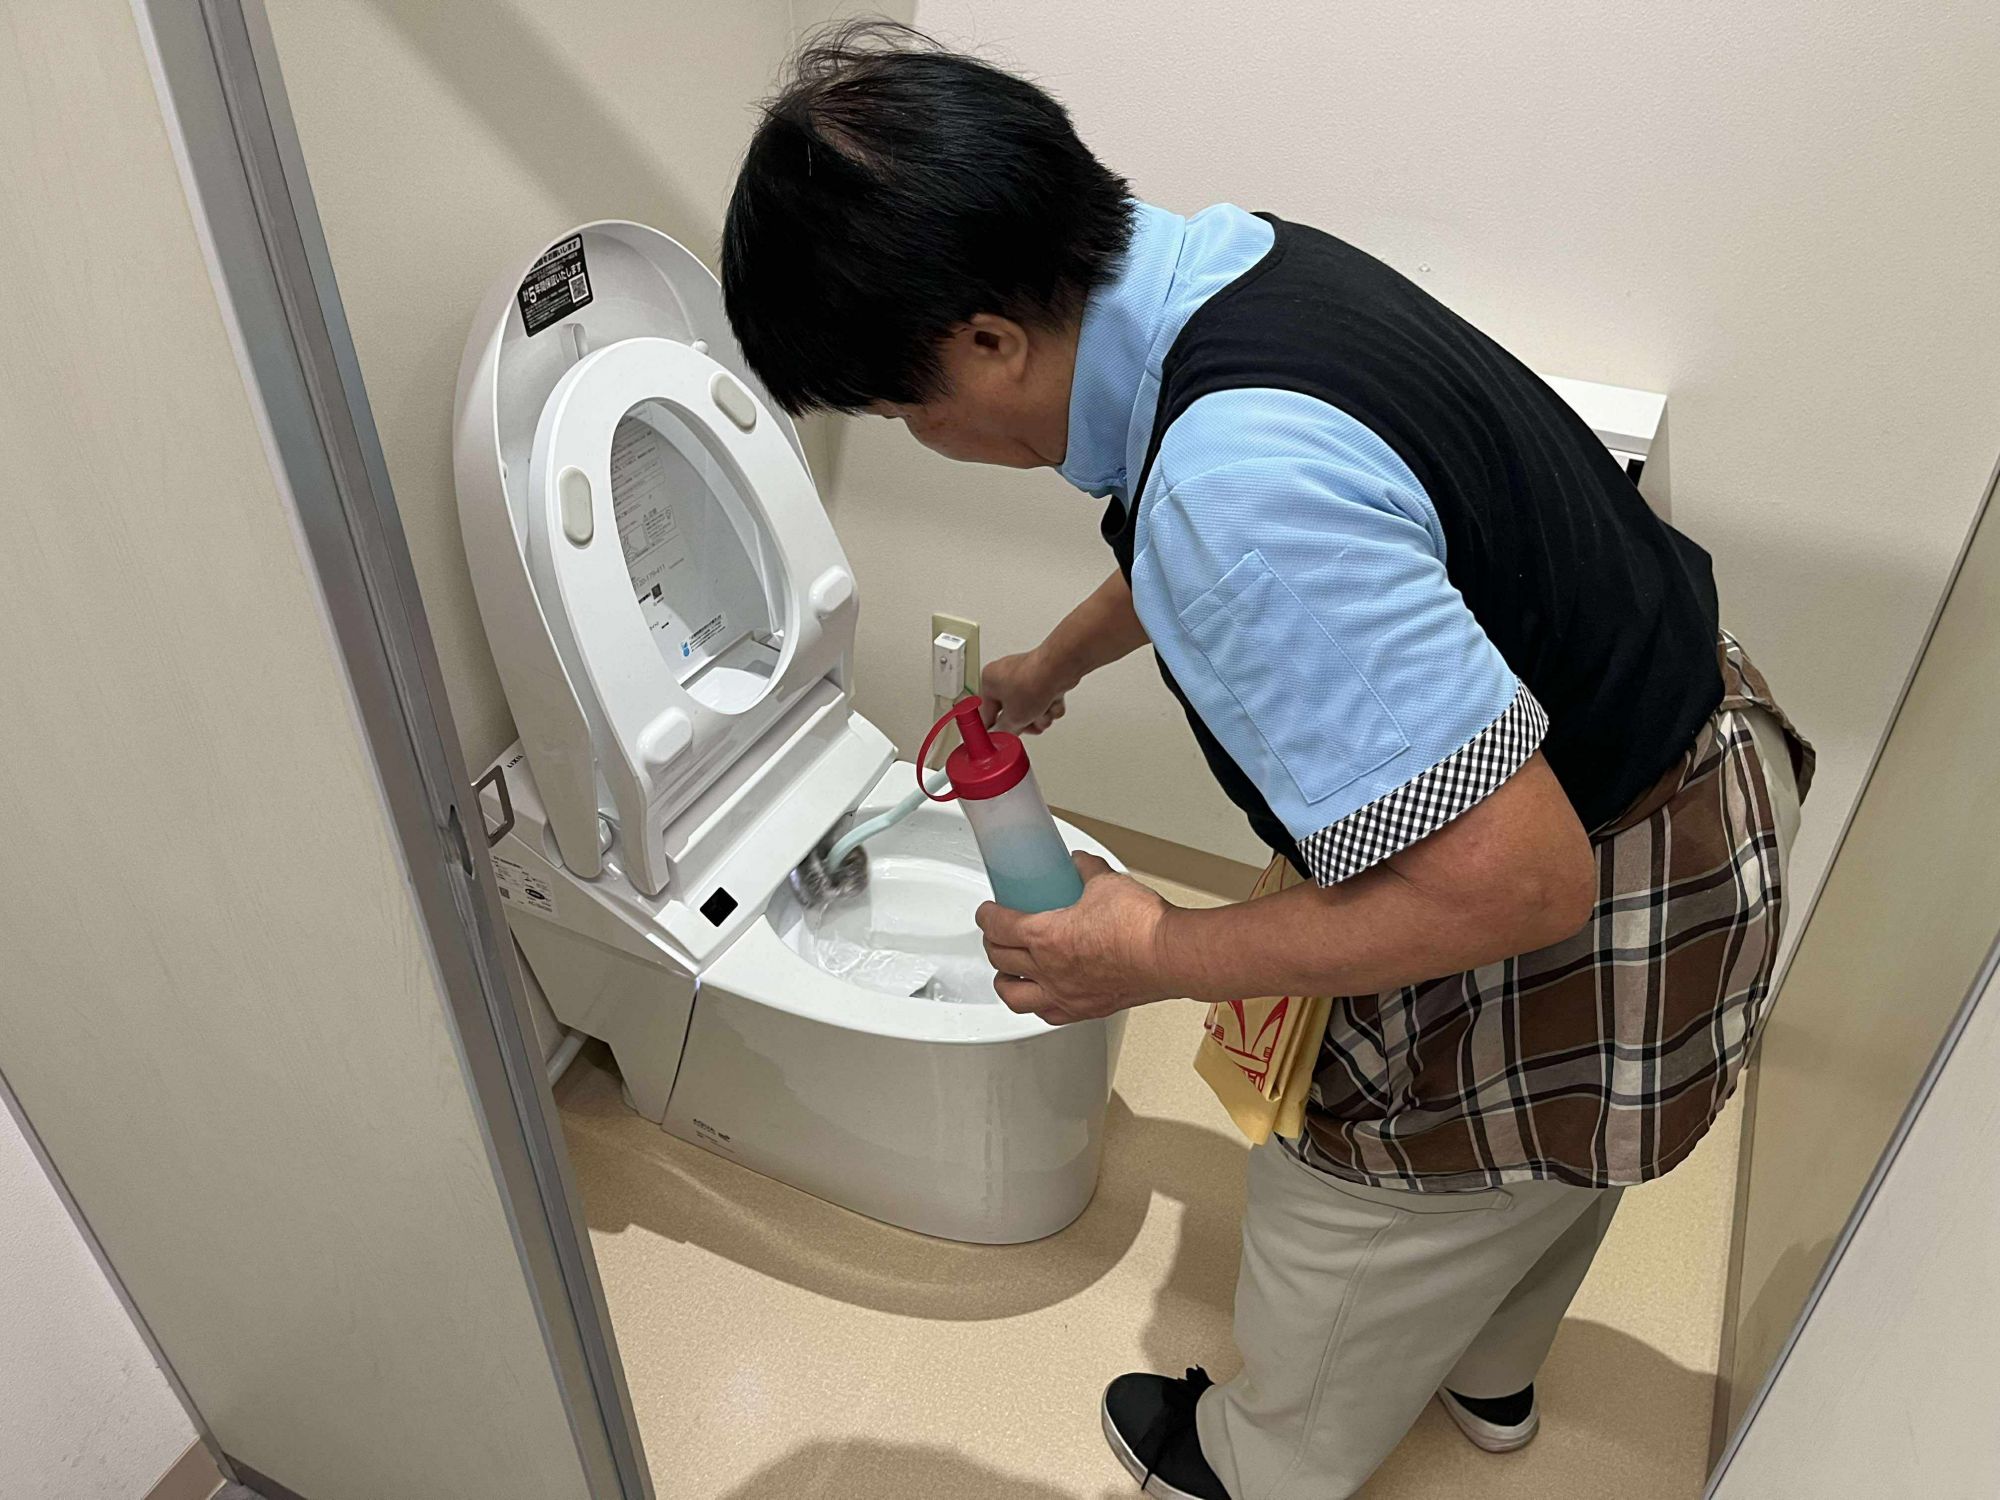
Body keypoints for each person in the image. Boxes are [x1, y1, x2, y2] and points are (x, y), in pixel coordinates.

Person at [721, 22, 1813, 1500]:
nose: (923, 435)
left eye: (907, 405)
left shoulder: (1230, 493)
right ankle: (1490, 1377)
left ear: (987, 340)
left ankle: (1252, 1469)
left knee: (1349, 1203)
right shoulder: (1230, 274)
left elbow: (1521, 887)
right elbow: (1246, 506)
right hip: (1702, 779)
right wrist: (1056, 663)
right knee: (1547, 1177)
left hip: (1592, 892)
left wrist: (1154, 951)